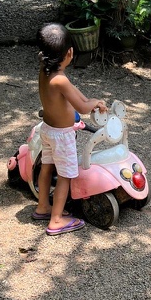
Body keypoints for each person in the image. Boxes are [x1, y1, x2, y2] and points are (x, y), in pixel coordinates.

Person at [35, 23, 107, 236]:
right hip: (62, 137)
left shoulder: (45, 71)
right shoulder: (60, 80)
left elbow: (75, 93)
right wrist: (95, 103)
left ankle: (43, 207)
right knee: (65, 176)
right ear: (70, 52)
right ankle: (56, 220)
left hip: (47, 130)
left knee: (46, 168)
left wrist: (90, 99)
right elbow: (82, 108)